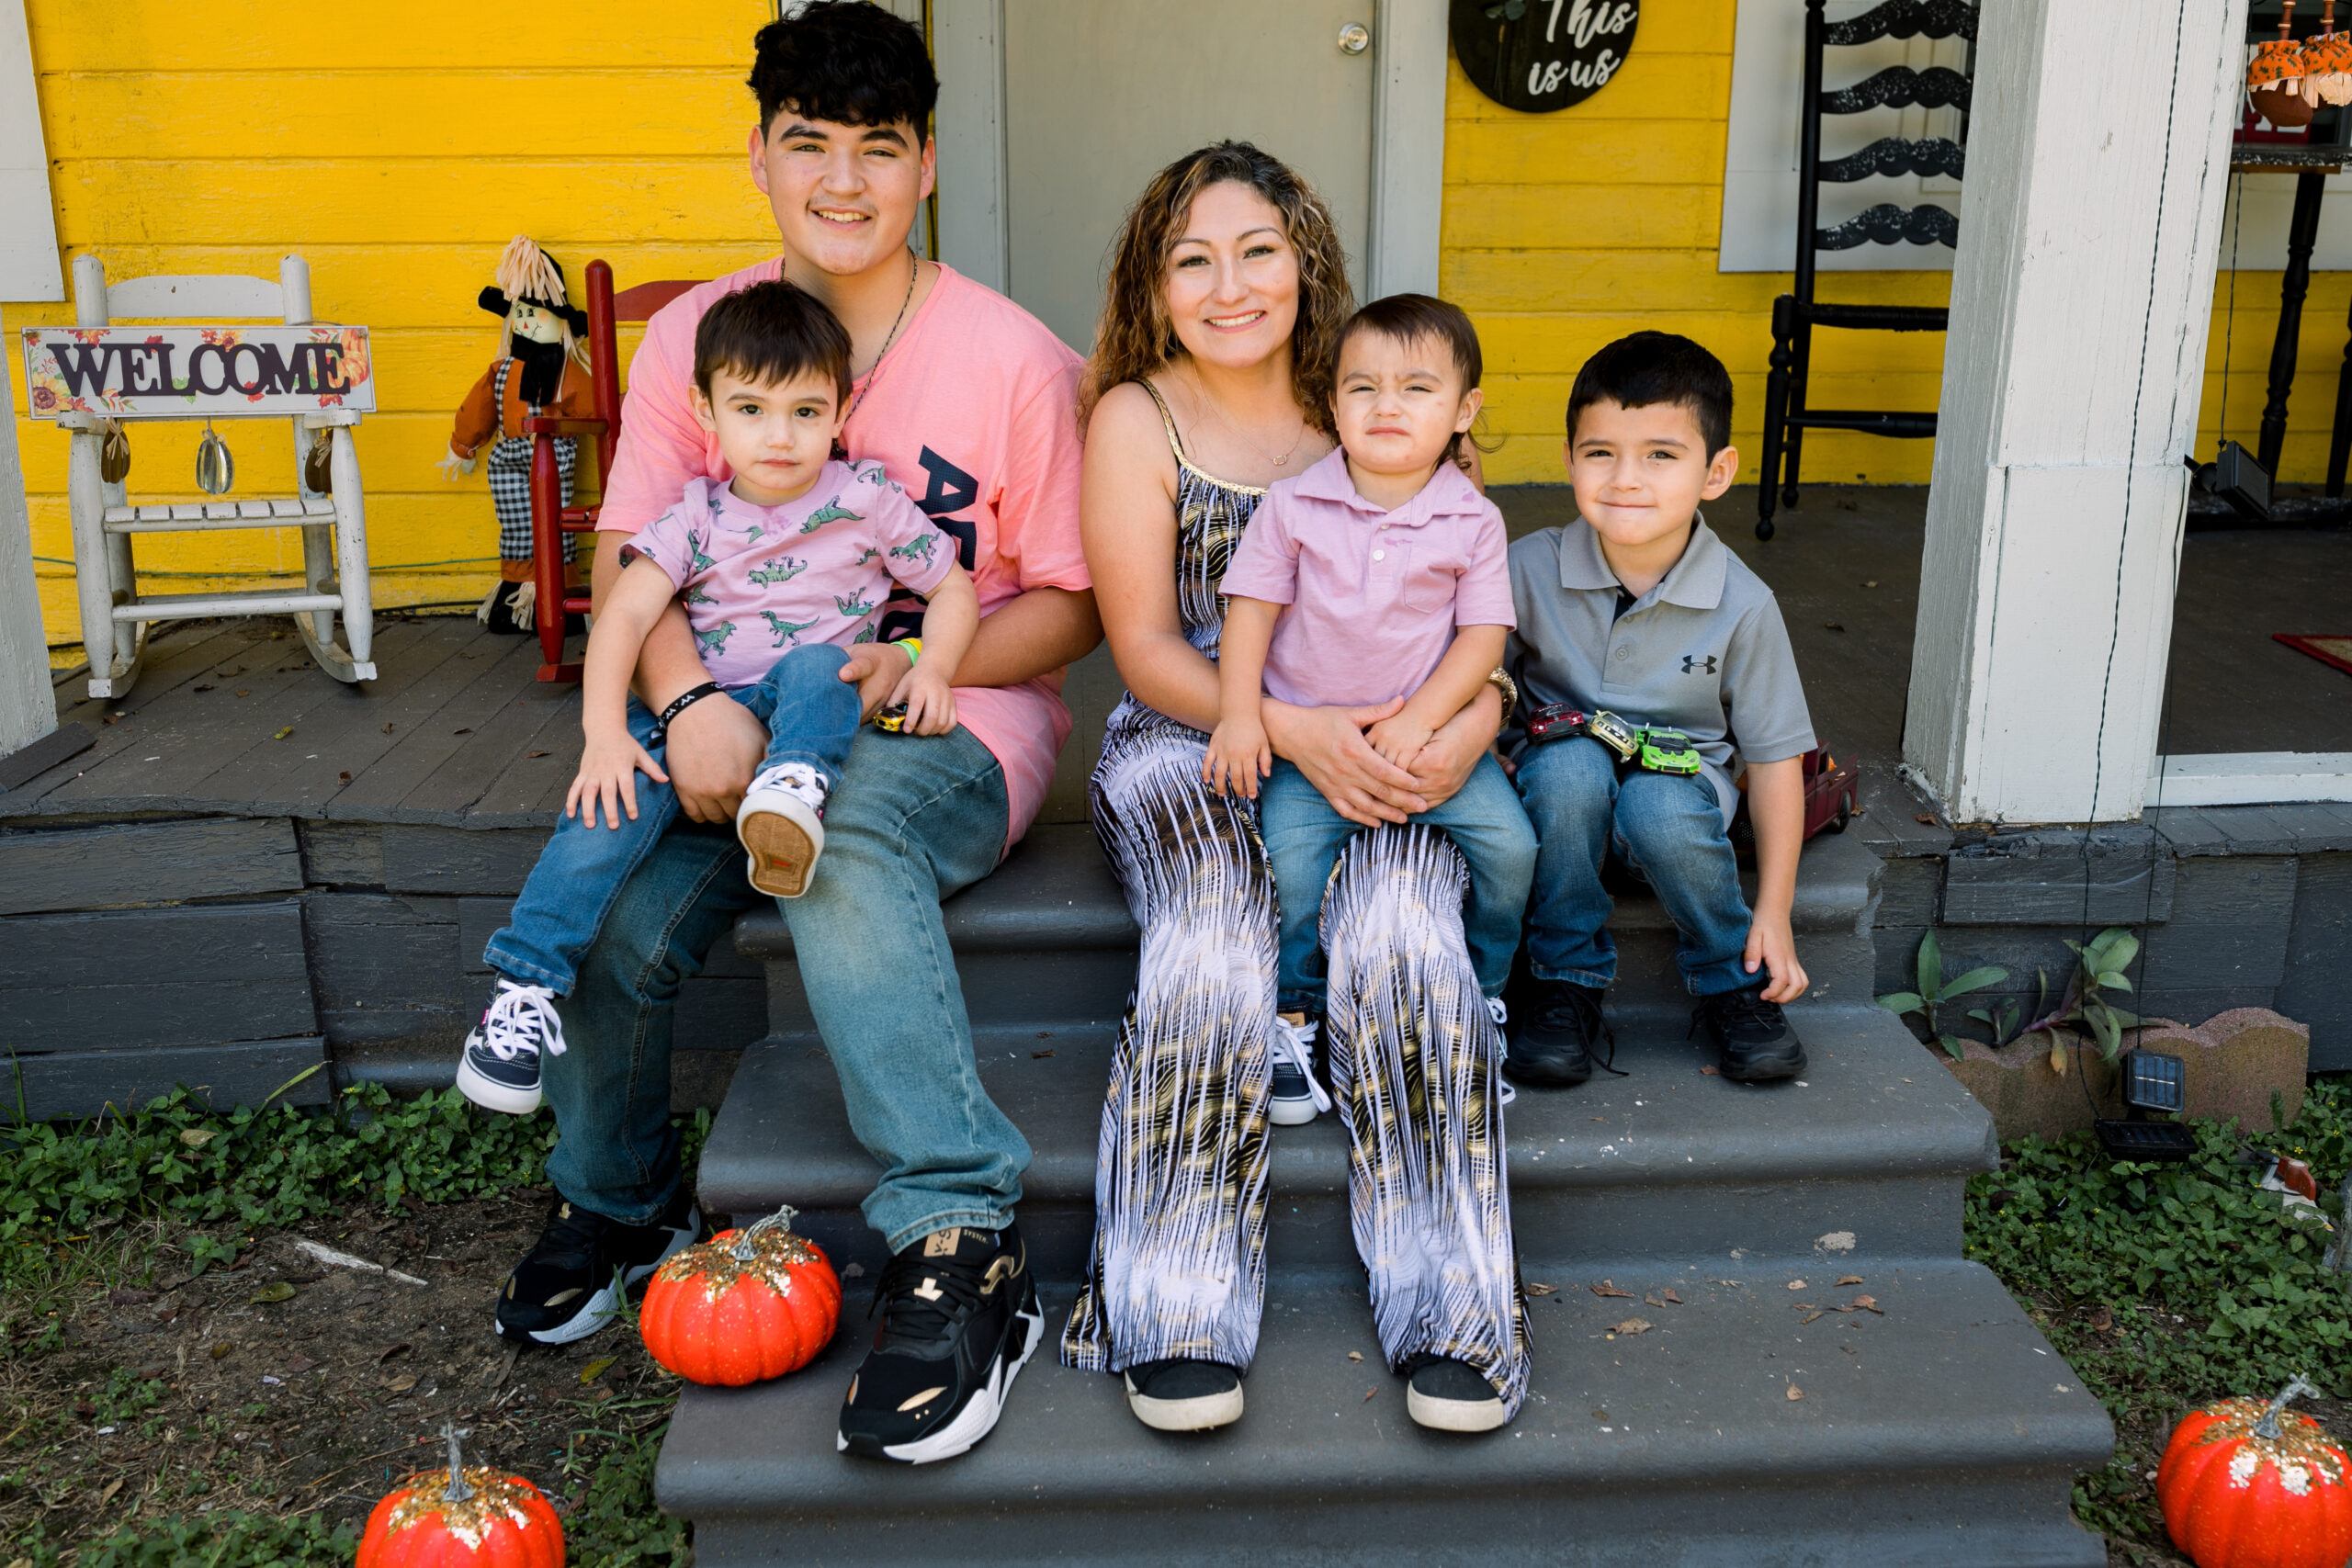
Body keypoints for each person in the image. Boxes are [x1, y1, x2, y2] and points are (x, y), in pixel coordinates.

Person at [486, 4, 1097, 1472]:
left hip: (952, 714)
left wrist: (910, 666)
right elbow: (639, 544)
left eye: (876, 148)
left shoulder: (1014, 358)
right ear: (758, 153)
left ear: (926, 164)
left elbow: (1069, 602)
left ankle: (963, 1232)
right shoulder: (706, 339)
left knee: (840, 839)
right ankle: (615, 1191)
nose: (841, 180)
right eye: (807, 143)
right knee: (622, 917)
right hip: (734, 699)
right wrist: (687, 703)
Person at [1062, 141, 1530, 1438]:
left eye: (1257, 249)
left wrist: (1469, 721)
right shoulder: (1135, 416)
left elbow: (1474, 619)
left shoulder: (1381, 393)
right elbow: (1147, 644)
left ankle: (1456, 1307)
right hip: (1187, 733)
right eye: (1191, 258)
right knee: (1213, 921)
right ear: (1153, 287)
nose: (1229, 283)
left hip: (1389, 737)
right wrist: (1283, 722)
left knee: (1402, 922)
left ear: (1305, 259)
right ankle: (1175, 1302)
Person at [455, 280, 976, 1116]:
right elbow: (623, 617)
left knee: (821, 666)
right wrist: (601, 734)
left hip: (809, 707)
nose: (780, 436)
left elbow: (954, 587)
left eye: (808, 411)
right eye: (752, 409)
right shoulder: (691, 518)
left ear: (843, 410)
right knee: (604, 812)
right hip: (697, 713)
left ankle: (792, 789)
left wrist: (934, 667)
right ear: (706, 409)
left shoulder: (866, 500)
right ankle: (523, 994)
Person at [1206, 294, 1534, 1093]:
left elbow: (1482, 640)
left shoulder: (1474, 521)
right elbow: (1249, 616)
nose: (1388, 405)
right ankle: (1295, 1011)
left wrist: (1424, 722)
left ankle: (1488, 988)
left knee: (1514, 848)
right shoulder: (1293, 507)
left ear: (1465, 410)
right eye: (1364, 387)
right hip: (1312, 750)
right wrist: (1242, 715)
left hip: (1431, 746)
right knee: (1286, 862)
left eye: (1418, 388)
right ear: (1333, 404)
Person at [1502, 332, 1815, 1089]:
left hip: (1676, 805)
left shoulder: (1743, 603)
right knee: (1573, 769)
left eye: (1661, 455)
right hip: (1559, 801)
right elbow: (1471, 680)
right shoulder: (1526, 566)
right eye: (1600, 451)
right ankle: (1563, 980)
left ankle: (1731, 979)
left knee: (1658, 806)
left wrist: (1774, 909)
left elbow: (1776, 760)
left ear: (1717, 472)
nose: (1626, 479)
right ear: (1570, 456)